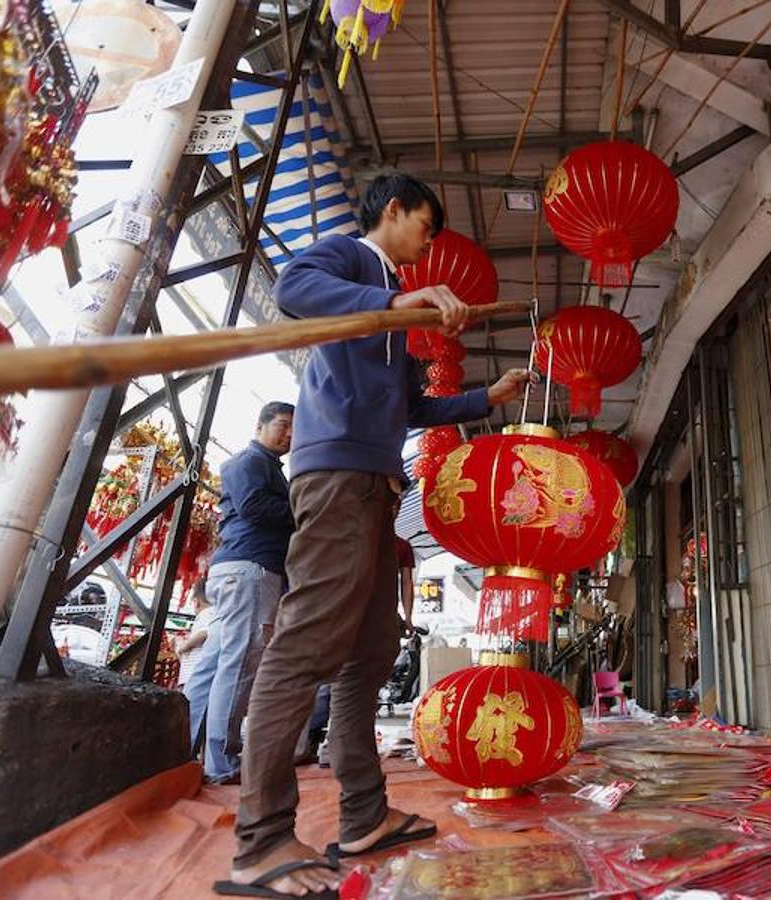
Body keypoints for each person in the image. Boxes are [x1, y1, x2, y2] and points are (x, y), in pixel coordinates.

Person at [218, 173, 532, 899]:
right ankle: (260, 840)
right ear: (393, 211)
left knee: (370, 648)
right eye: (427, 225)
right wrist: (392, 299)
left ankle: (361, 815)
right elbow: (292, 286)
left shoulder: (391, 309)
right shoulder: (352, 263)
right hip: (335, 479)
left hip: (373, 483)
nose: (429, 244)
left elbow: (415, 406)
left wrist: (489, 397)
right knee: (305, 644)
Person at [186, 401, 295, 785]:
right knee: (239, 661)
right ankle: (223, 763)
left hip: (238, 570)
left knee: (216, 662)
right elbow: (254, 507)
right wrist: (307, 506)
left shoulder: (267, 467)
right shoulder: (248, 462)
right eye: (283, 425)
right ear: (260, 423)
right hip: (251, 569)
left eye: (294, 429)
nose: (289, 435)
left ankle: (183, 752)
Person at [176, 581, 215, 691]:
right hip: (193, 674)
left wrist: (184, 645)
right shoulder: (213, 613)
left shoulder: (207, 613)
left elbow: (205, 632)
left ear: (196, 602)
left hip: (194, 676)